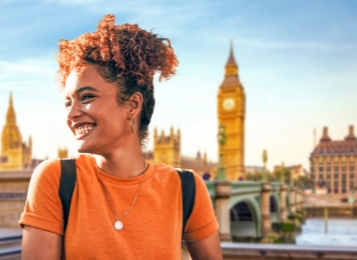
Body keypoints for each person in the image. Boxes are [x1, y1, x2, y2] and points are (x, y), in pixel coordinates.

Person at [19, 14, 222, 259]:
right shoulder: (56, 179)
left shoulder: (185, 187)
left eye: (87, 97)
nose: (72, 113)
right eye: (67, 102)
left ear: (132, 105)